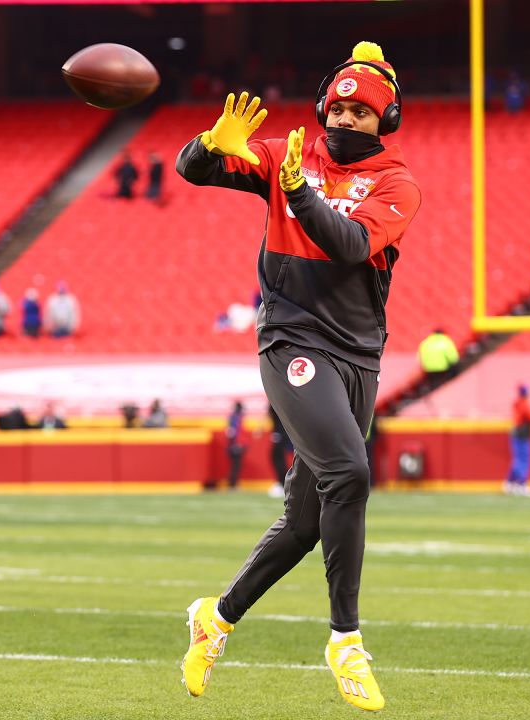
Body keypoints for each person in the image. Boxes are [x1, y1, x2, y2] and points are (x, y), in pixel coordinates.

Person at [175, 40, 421, 711]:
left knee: (307, 522)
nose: (344, 118)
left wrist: (294, 193)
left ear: (385, 120)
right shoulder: (292, 155)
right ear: (322, 105)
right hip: (292, 341)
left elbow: (345, 247)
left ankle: (215, 619)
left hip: (358, 357)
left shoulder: (398, 184)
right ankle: (346, 642)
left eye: (361, 112)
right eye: (337, 106)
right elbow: (191, 169)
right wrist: (207, 144)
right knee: (351, 475)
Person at [506, 383, 530, 496]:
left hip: (518, 433)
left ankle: (509, 483)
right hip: (522, 434)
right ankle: (521, 485)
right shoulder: (523, 403)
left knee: (518, 459)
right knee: (523, 460)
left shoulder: (519, 403)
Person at [266, 404, 291, 499]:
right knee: (278, 459)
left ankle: (283, 483)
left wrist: (278, 434)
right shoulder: (278, 403)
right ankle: (282, 483)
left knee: (278, 459)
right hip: (280, 434)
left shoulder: (276, 404)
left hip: (281, 435)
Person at [225, 401, 246, 490]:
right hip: (235, 445)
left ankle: (232, 483)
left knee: (235, 466)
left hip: (234, 445)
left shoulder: (233, 417)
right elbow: (234, 433)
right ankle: (232, 484)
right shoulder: (236, 418)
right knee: (236, 466)